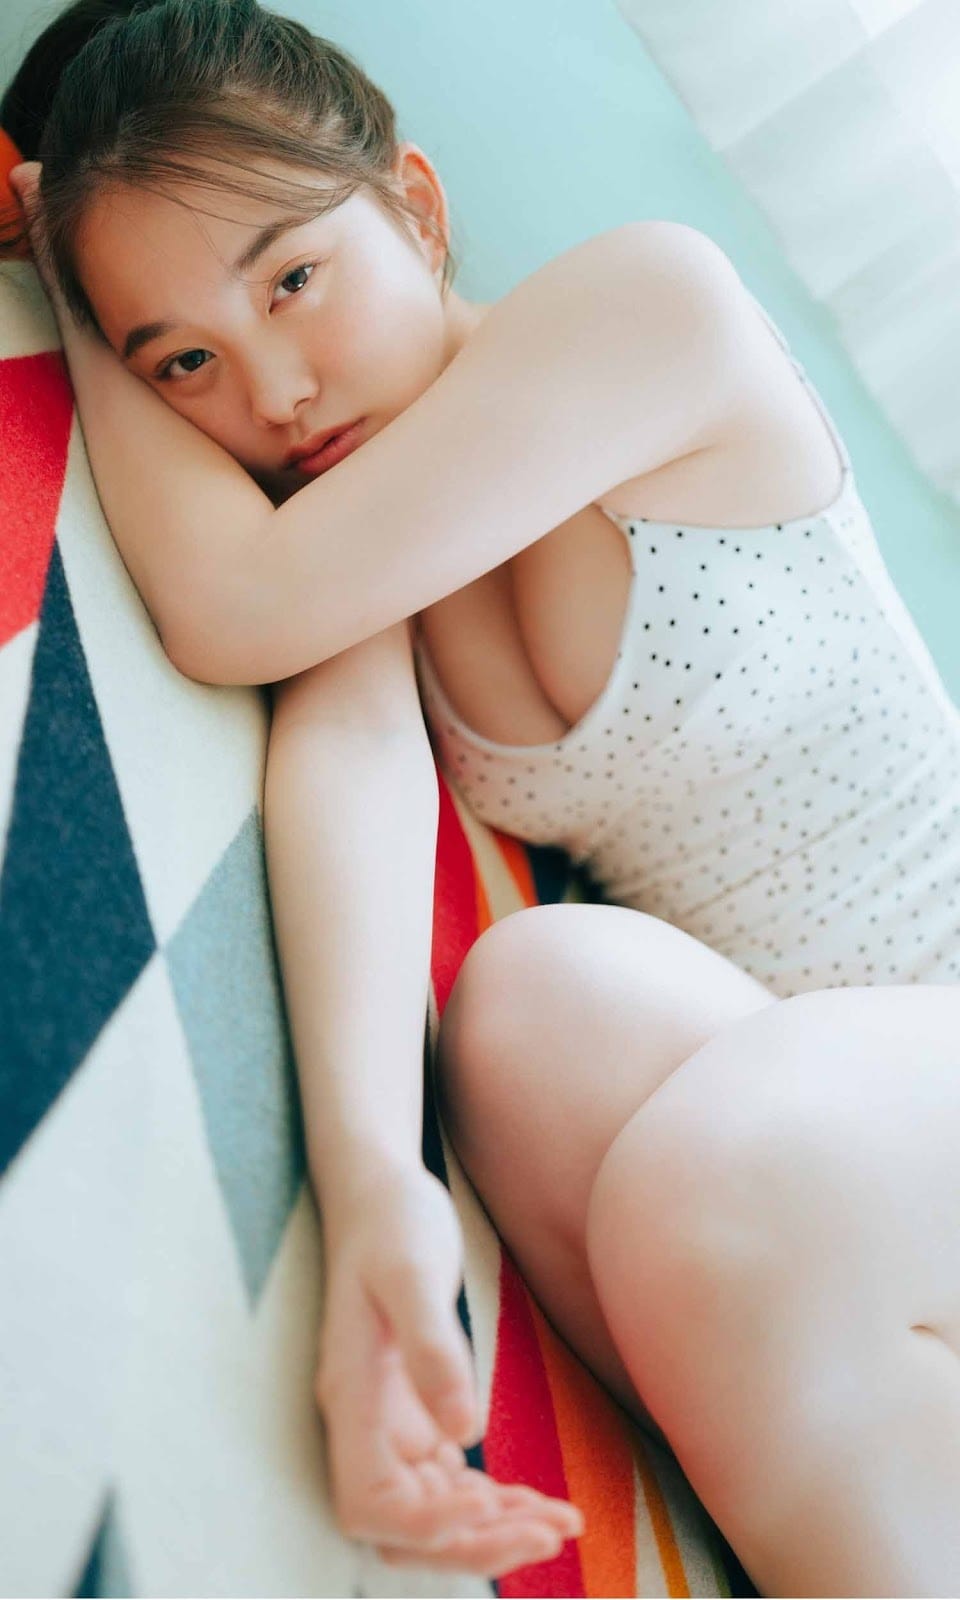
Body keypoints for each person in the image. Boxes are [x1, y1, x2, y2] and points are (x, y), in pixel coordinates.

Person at [4, 0, 960, 1591]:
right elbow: (351, 763)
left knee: (739, 1165)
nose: (277, 392)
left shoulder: (652, 307)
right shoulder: (356, 532)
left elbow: (233, 607)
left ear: (416, 204)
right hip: (815, 1161)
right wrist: (375, 1184)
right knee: (526, 1011)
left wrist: (61, 252)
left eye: (293, 279)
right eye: (185, 360)